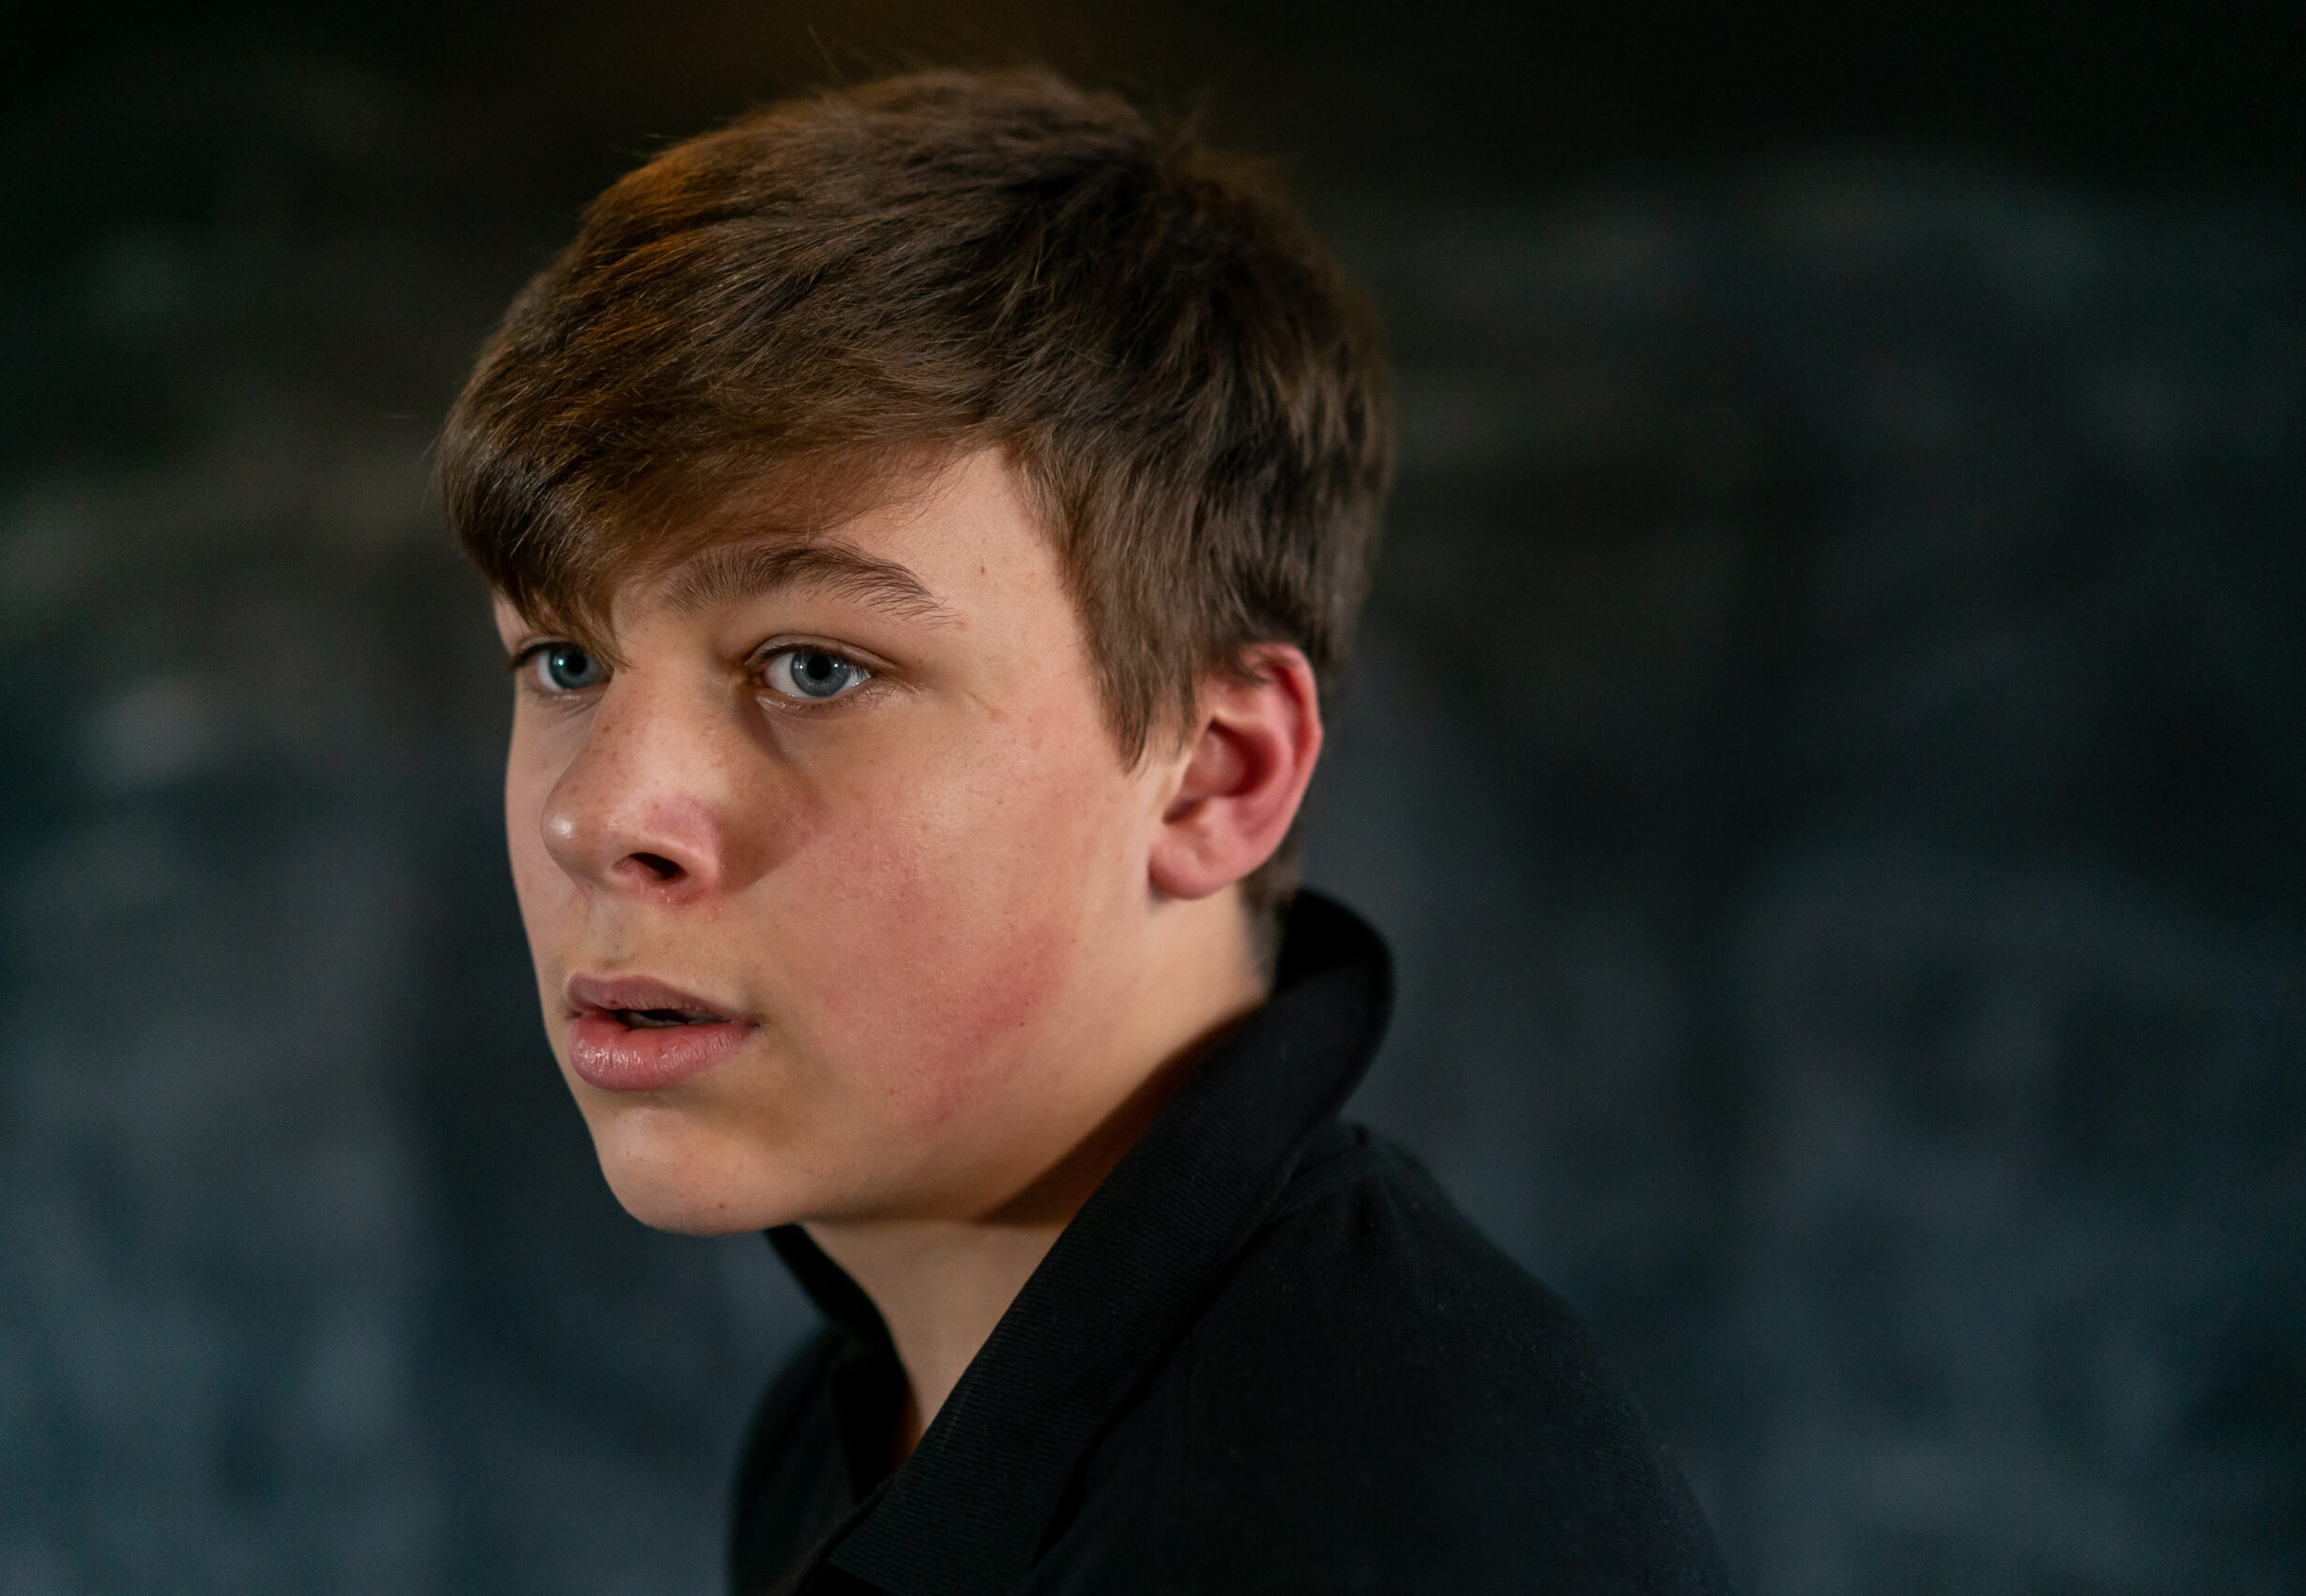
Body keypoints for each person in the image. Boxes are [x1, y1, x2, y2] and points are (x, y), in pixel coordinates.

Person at [437, 67, 1729, 1595]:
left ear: (1216, 777)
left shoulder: (1374, 1534)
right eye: (565, 662)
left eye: (815, 666)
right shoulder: (850, 1424)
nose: (600, 815)